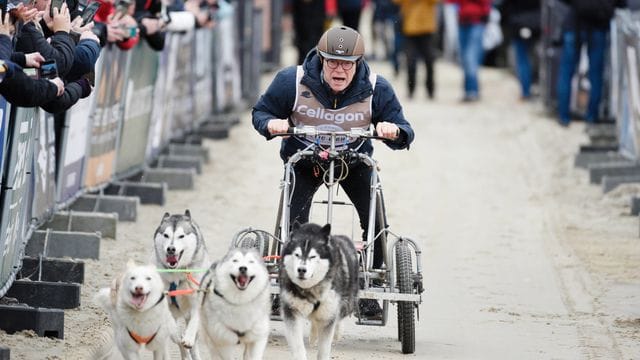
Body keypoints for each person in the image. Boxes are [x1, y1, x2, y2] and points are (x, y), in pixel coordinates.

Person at [252, 26, 414, 318]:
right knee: (296, 223)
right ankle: (291, 284)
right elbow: (260, 112)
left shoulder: (377, 88)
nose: (339, 70)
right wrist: (271, 125)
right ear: (321, 60)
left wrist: (394, 131)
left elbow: (405, 131)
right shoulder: (293, 80)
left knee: (375, 218)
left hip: (353, 162)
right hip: (304, 160)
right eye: (332, 62)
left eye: (347, 64)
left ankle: (370, 285)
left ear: (358, 64)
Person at [556, 0, 626, 126]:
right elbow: (622, 3)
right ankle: (591, 117)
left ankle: (563, 116)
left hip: (575, 24)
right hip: (598, 26)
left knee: (566, 73)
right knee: (596, 75)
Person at [447, 0, 491, 102]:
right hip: (462, 21)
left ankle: (473, 91)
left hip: (476, 22)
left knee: (470, 57)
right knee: (464, 58)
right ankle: (468, 91)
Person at [394, 0, 439, 99]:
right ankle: (411, 90)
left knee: (429, 60)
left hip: (426, 28)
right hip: (410, 27)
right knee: (410, 61)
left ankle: (430, 89)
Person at [500, 0, 541, 101]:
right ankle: (535, 86)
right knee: (535, 57)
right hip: (535, 23)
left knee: (522, 59)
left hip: (518, 23)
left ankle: (526, 91)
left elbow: (505, 6)